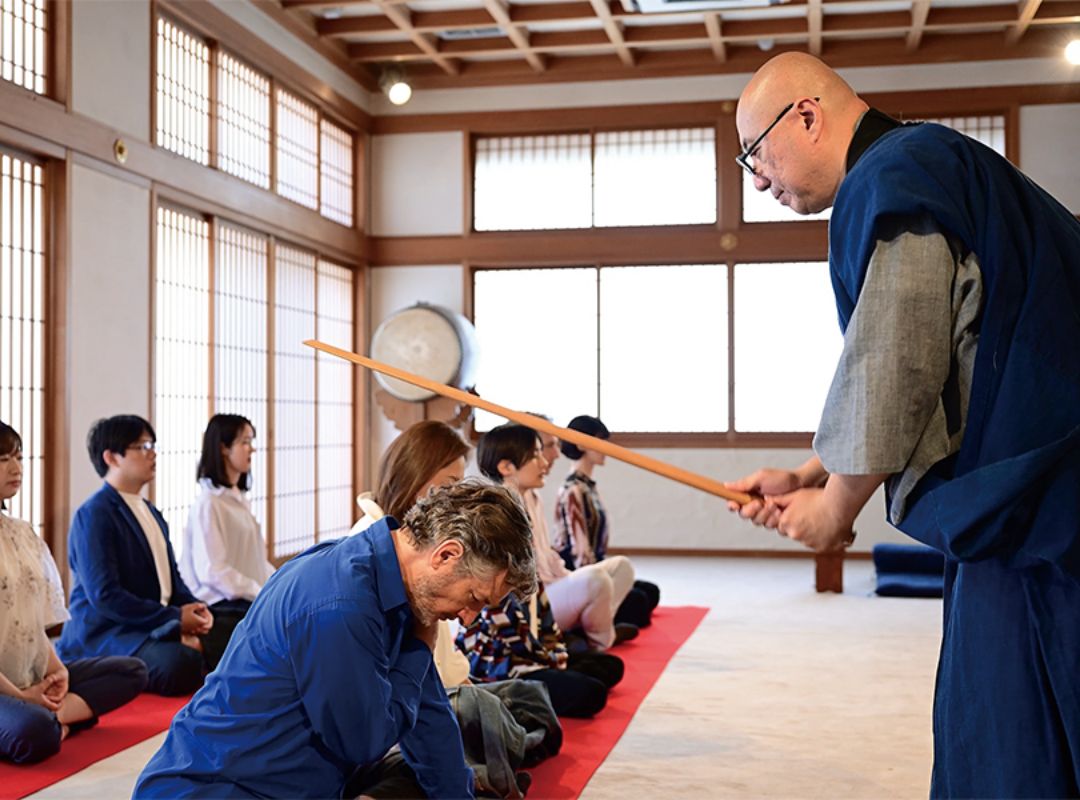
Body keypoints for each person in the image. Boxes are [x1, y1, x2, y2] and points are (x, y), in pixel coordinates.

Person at [726, 52, 1080, 798]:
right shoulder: (946, 165)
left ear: (807, 116)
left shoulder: (898, 174)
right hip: (1041, 501)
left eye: (754, 156)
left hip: (1040, 529)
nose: (758, 182)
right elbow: (948, 361)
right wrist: (807, 474)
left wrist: (835, 508)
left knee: (1012, 742)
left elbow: (900, 351)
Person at [135, 480, 538, 799]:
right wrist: (418, 647)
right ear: (446, 554)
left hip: (301, 780)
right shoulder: (340, 602)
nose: (468, 620)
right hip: (219, 788)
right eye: (473, 599)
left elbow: (427, 713)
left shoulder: (393, 583)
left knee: (453, 767)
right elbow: (363, 741)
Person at [0, 421, 147, 764]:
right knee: (32, 733)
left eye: (19, 457)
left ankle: (54, 717)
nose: (16, 468)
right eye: (2, 459)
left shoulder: (22, 533)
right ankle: (55, 718)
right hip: (6, 688)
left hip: (31, 674)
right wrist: (22, 696)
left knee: (133, 671)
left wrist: (58, 671)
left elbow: (30, 622)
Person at [461, 423, 625, 719]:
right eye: (537, 454)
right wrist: (548, 657)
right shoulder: (494, 521)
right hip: (504, 661)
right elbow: (502, 619)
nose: (546, 461)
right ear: (506, 466)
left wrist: (554, 653)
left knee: (610, 668)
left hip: (536, 631)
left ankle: (573, 648)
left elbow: (539, 591)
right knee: (592, 692)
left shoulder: (529, 501)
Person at [57, 415, 212, 696]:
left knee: (233, 626)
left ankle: (192, 643)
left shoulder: (150, 511)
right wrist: (175, 620)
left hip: (151, 622)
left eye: (152, 445)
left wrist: (194, 609)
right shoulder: (95, 513)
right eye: (142, 446)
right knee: (180, 663)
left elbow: (171, 579)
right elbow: (105, 596)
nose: (152, 453)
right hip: (111, 632)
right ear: (111, 457)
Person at [525, 423, 639, 650]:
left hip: (561, 577)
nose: (554, 455)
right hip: (557, 584)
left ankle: (589, 627)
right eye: (545, 448)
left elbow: (548, 556)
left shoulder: (535, 498)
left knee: (624, 570)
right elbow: (578, 551)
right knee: (629, 595)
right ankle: (595, 636)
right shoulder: (571, 489)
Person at [180, 414, 273, 669]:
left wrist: (277, 585)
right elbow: (212, 570)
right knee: (262, 626)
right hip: (219, 602)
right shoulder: (209, 504)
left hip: (245, 595)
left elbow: (255, 560)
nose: (251, 449)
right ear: (223, 447)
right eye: (244, 442)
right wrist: (258, 591)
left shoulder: (237, 498)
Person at [552, 415, 660, 626]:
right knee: (639, 601)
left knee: (649, 591)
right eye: (599, 441)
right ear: (581, 443)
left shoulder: (588, 486)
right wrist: (603, 582)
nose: (606, 448)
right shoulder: (573, 490)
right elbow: (580, 552)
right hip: (578, 571)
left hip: (595, 566)